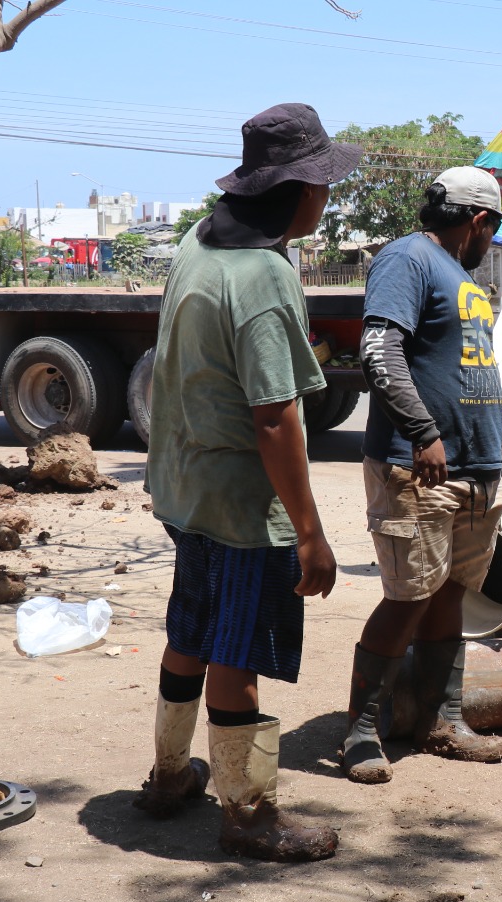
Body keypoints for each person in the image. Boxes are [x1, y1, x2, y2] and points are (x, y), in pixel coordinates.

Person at [136, 103, 361, 863]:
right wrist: (310, 532)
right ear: (299, 191)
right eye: (323, 184)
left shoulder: (199, 243)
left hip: (183, 485)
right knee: (236, 651)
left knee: (189, 633)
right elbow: (275, 420)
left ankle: (169, 776)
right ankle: (249, 814)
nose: (326, 198)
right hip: (237, 501)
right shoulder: (263, 276)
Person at [340, 167, 502, 785]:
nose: (492, 238)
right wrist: (423, 433)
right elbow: (377, 350)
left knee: (449, 596)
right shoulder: (406, 260)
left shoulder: (465, 281)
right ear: (479, 221)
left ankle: (442, 719)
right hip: (420, 471)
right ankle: (360, 731)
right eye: (494, 228)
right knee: (407, 597)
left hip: (477, 473)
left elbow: (479, 373)